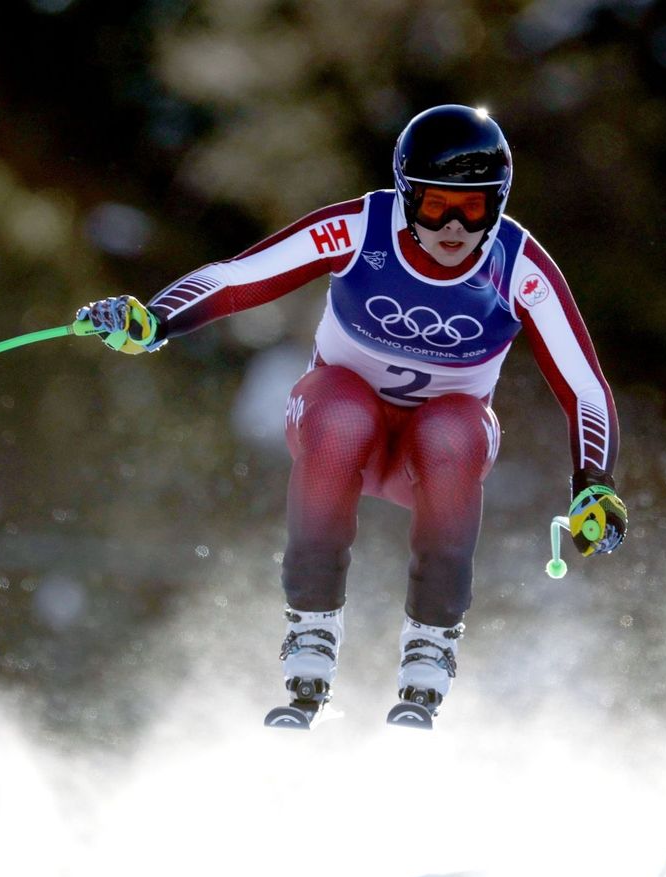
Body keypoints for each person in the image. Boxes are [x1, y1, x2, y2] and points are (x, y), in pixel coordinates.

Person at [77, 104, 627, 728]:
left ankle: (432, 643)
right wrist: (157, 320)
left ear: (497, 205)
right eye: (433, 204)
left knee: (452, 427)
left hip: (431, 455)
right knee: (342, 408)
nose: (452, 227)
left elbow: (583, 386)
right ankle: (311, 628)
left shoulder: (518, 267)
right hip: (338, 434)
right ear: (405, 194)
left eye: (472, 209)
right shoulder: (360, 228)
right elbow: (241, 277)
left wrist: (594, 485)